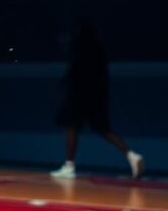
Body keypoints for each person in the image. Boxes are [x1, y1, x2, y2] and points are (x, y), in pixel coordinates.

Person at [51, 19, 144, 179]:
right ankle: (131, 155)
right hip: (96, 97)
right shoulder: (99, 50)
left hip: (81, 95)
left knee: (72, 126)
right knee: (103, 129)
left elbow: (75, 74)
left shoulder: (80, 49)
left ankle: (69, 166)